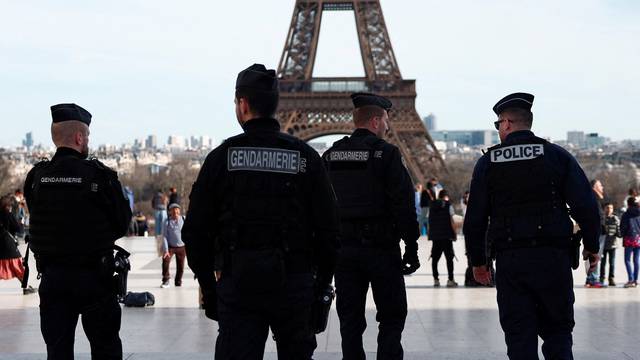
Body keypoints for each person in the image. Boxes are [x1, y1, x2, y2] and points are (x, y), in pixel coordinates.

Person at [181, 64, 340, 359]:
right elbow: (330, 229)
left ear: (243, 104)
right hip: (295, 283)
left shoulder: (221, 158)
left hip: (239, 283)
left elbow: (195, 231)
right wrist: (321, 284)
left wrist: (208, 284)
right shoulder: (306, 157)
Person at [463, 92, 600, 359]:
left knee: (519, 337)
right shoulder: (557, 156)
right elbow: (586, 206)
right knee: (558, 333)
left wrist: (478, 262)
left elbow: (475, 220)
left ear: (506, 123)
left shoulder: (488, 162)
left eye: (498, 124)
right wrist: (592, 246)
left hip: (511, 260)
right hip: (553, 258)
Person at [23, 103, 132, 359]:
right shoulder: (99, 176)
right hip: (95, 278)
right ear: (79, 137)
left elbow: (34, 212)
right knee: (105, 348)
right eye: (88, 137)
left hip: (53, 278)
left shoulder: (37, 177)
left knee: (58, 351)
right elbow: (121, 222)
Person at [323, 92, 419, 359]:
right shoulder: (386, 155)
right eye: (386, 119)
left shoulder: (331, 155)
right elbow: (403, 206)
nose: (388, 126)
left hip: (344, 252)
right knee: (391, 314)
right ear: (376, 121)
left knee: (349, 320)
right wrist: (411, 246)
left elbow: (320, 208)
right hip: (381, 249)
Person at [0, 195, 36, 294]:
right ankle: (26, 288)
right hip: (8, 245)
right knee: (17, 266)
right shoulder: (9, 215)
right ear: (8, 206)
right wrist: (20, 224)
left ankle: (26, 287)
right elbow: (18, 228)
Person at [428, 189, 458, 287]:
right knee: (449, 259)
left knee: (435, 259)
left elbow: (429, 221)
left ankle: (436, 280)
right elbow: (452, 221)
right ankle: (450, 280)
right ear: (446, 196)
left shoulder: (432, 206)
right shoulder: (448, 205)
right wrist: (455, 234)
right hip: (446, 236)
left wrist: (431, 234)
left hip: (436, 237)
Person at [585, 179, 607, 288]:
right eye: (600, 185)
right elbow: (596, 215)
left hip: (598, 229)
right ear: (594, 187)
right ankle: (594, 278)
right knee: (596, 254)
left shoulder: (595, 196)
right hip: (598, 229)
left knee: (593, 254)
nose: (602, 187)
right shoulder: (593, 196)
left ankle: (590, 278)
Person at [161, 203, 185, 288]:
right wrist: (166, 250)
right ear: (170, 211)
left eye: (177, 209)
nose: (175, 211)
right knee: (165, 260)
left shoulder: (183, 219)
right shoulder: (167, 221)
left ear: (179, 210)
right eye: (173, 210)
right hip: (171, 247)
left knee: (181, 266)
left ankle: (178, 282)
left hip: (182, 247)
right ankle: (166, 280)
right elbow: (164, 236)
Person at [621, 197, 640, 288]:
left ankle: (631, 279)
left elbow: (623, 226)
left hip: (629, 238)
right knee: (636, 259)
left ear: (628, 204)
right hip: (638, 238)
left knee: (627, 259)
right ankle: (635, 280)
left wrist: (622, 234)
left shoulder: (626, 214)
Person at [600, 202, 620, 286]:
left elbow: (619, 231)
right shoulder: (602, 219)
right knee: (602, 263)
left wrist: (618, 232)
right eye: (607, 208)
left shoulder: (615, 218)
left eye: (611, 208)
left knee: (612, 263)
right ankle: (601, 278)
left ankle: (611, 279)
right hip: (603, 245)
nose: (609, 210)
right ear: (604, 209)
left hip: (613, 244)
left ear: (613, 209)